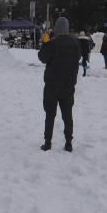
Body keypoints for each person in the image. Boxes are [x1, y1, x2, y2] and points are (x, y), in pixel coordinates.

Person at [37, 17, 81, 152]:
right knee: (67, 116)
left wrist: (45, 43)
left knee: (50, 114)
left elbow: (42, 58)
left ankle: (48, 143)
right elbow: (78, 58)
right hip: (68, 86)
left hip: (52, 85)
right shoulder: (75, 43)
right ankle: (68, 143)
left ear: (56, 28)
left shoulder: (53, 43)